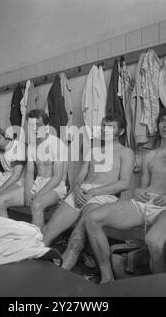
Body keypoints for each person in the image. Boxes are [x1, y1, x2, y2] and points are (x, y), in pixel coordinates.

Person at [85, 107, 166, 283]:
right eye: (162, 121)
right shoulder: (150, 155)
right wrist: (138, 191)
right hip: (145, 203)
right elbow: (142, 187)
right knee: (93, 218)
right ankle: (107, 278)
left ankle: (159, 288)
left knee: (155, 241)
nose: (165, 125)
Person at [42, 115, 135, 272]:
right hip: (82, 191)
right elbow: (80, 176)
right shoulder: (93, 150)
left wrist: (94, 192)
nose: (105, 130)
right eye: (104, 126)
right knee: (47, 231)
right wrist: (77, 188)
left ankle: (56, 278)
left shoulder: (126, 152)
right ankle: (30, 269)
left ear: (121, 131)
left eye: (111, 127)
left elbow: (124, 183)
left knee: (77, 237)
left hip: (103, 195)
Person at [0, 109, 68, 225]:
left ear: (46, 126)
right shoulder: (32, 147)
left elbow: (58, 177)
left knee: (36, 204)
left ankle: (36, 241)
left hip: (56, 187)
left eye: (38, 125)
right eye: (32, 125)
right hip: (37, 183)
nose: (34, 129)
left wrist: (38, 194)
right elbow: (29, 172)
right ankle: (6, 237)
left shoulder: (57, 144)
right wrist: (27, 192)